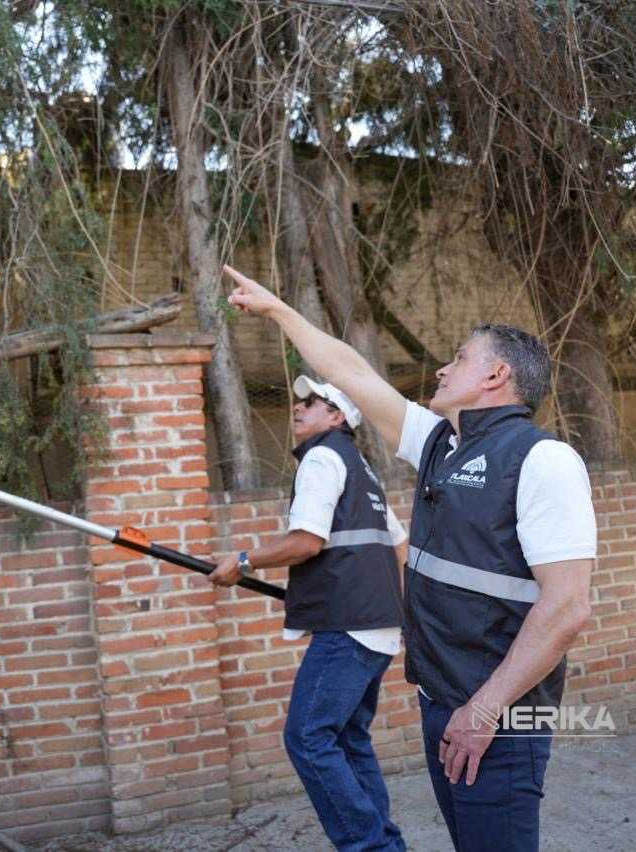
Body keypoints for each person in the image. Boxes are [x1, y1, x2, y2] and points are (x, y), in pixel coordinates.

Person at [222, 264, 596, 852]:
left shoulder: (543, 459)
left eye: (460, 357)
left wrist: (484, 710)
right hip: (443, 703)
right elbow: (350, 371)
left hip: (498, 715)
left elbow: (569, 607)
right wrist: (279, 312)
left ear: (496, 375)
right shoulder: (439, 443)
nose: (443, 367)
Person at [209, 374, 410, 852]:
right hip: (375, 628)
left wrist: (243, 561)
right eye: (300, 402)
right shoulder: (361, 466)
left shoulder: (323, 458)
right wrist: (403, 616)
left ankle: (372, 847)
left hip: (348, 630)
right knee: (348, 739)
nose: (298, 408)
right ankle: (386, 843)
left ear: (337, 417)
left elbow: (306, 541)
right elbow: (400, 545)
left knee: (309, 738)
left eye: (313, 402)